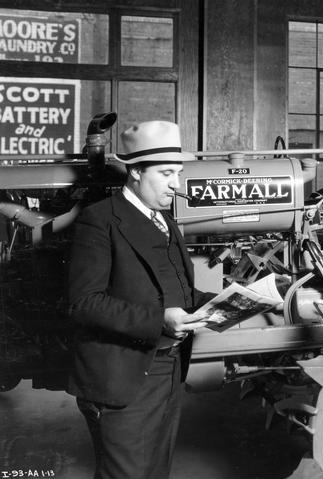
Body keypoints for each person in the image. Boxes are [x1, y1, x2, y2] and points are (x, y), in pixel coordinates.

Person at [67, 120, 214, 479]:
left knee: (154, 472)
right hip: (123, 378)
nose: (176, 184)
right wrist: (159, 320)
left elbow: (178, 290)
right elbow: (83, 303)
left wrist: (231, 300)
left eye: (178, 173)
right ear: (134, 172)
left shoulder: (165, 219)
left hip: (168, 370)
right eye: (166, 173)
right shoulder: (99, 220)